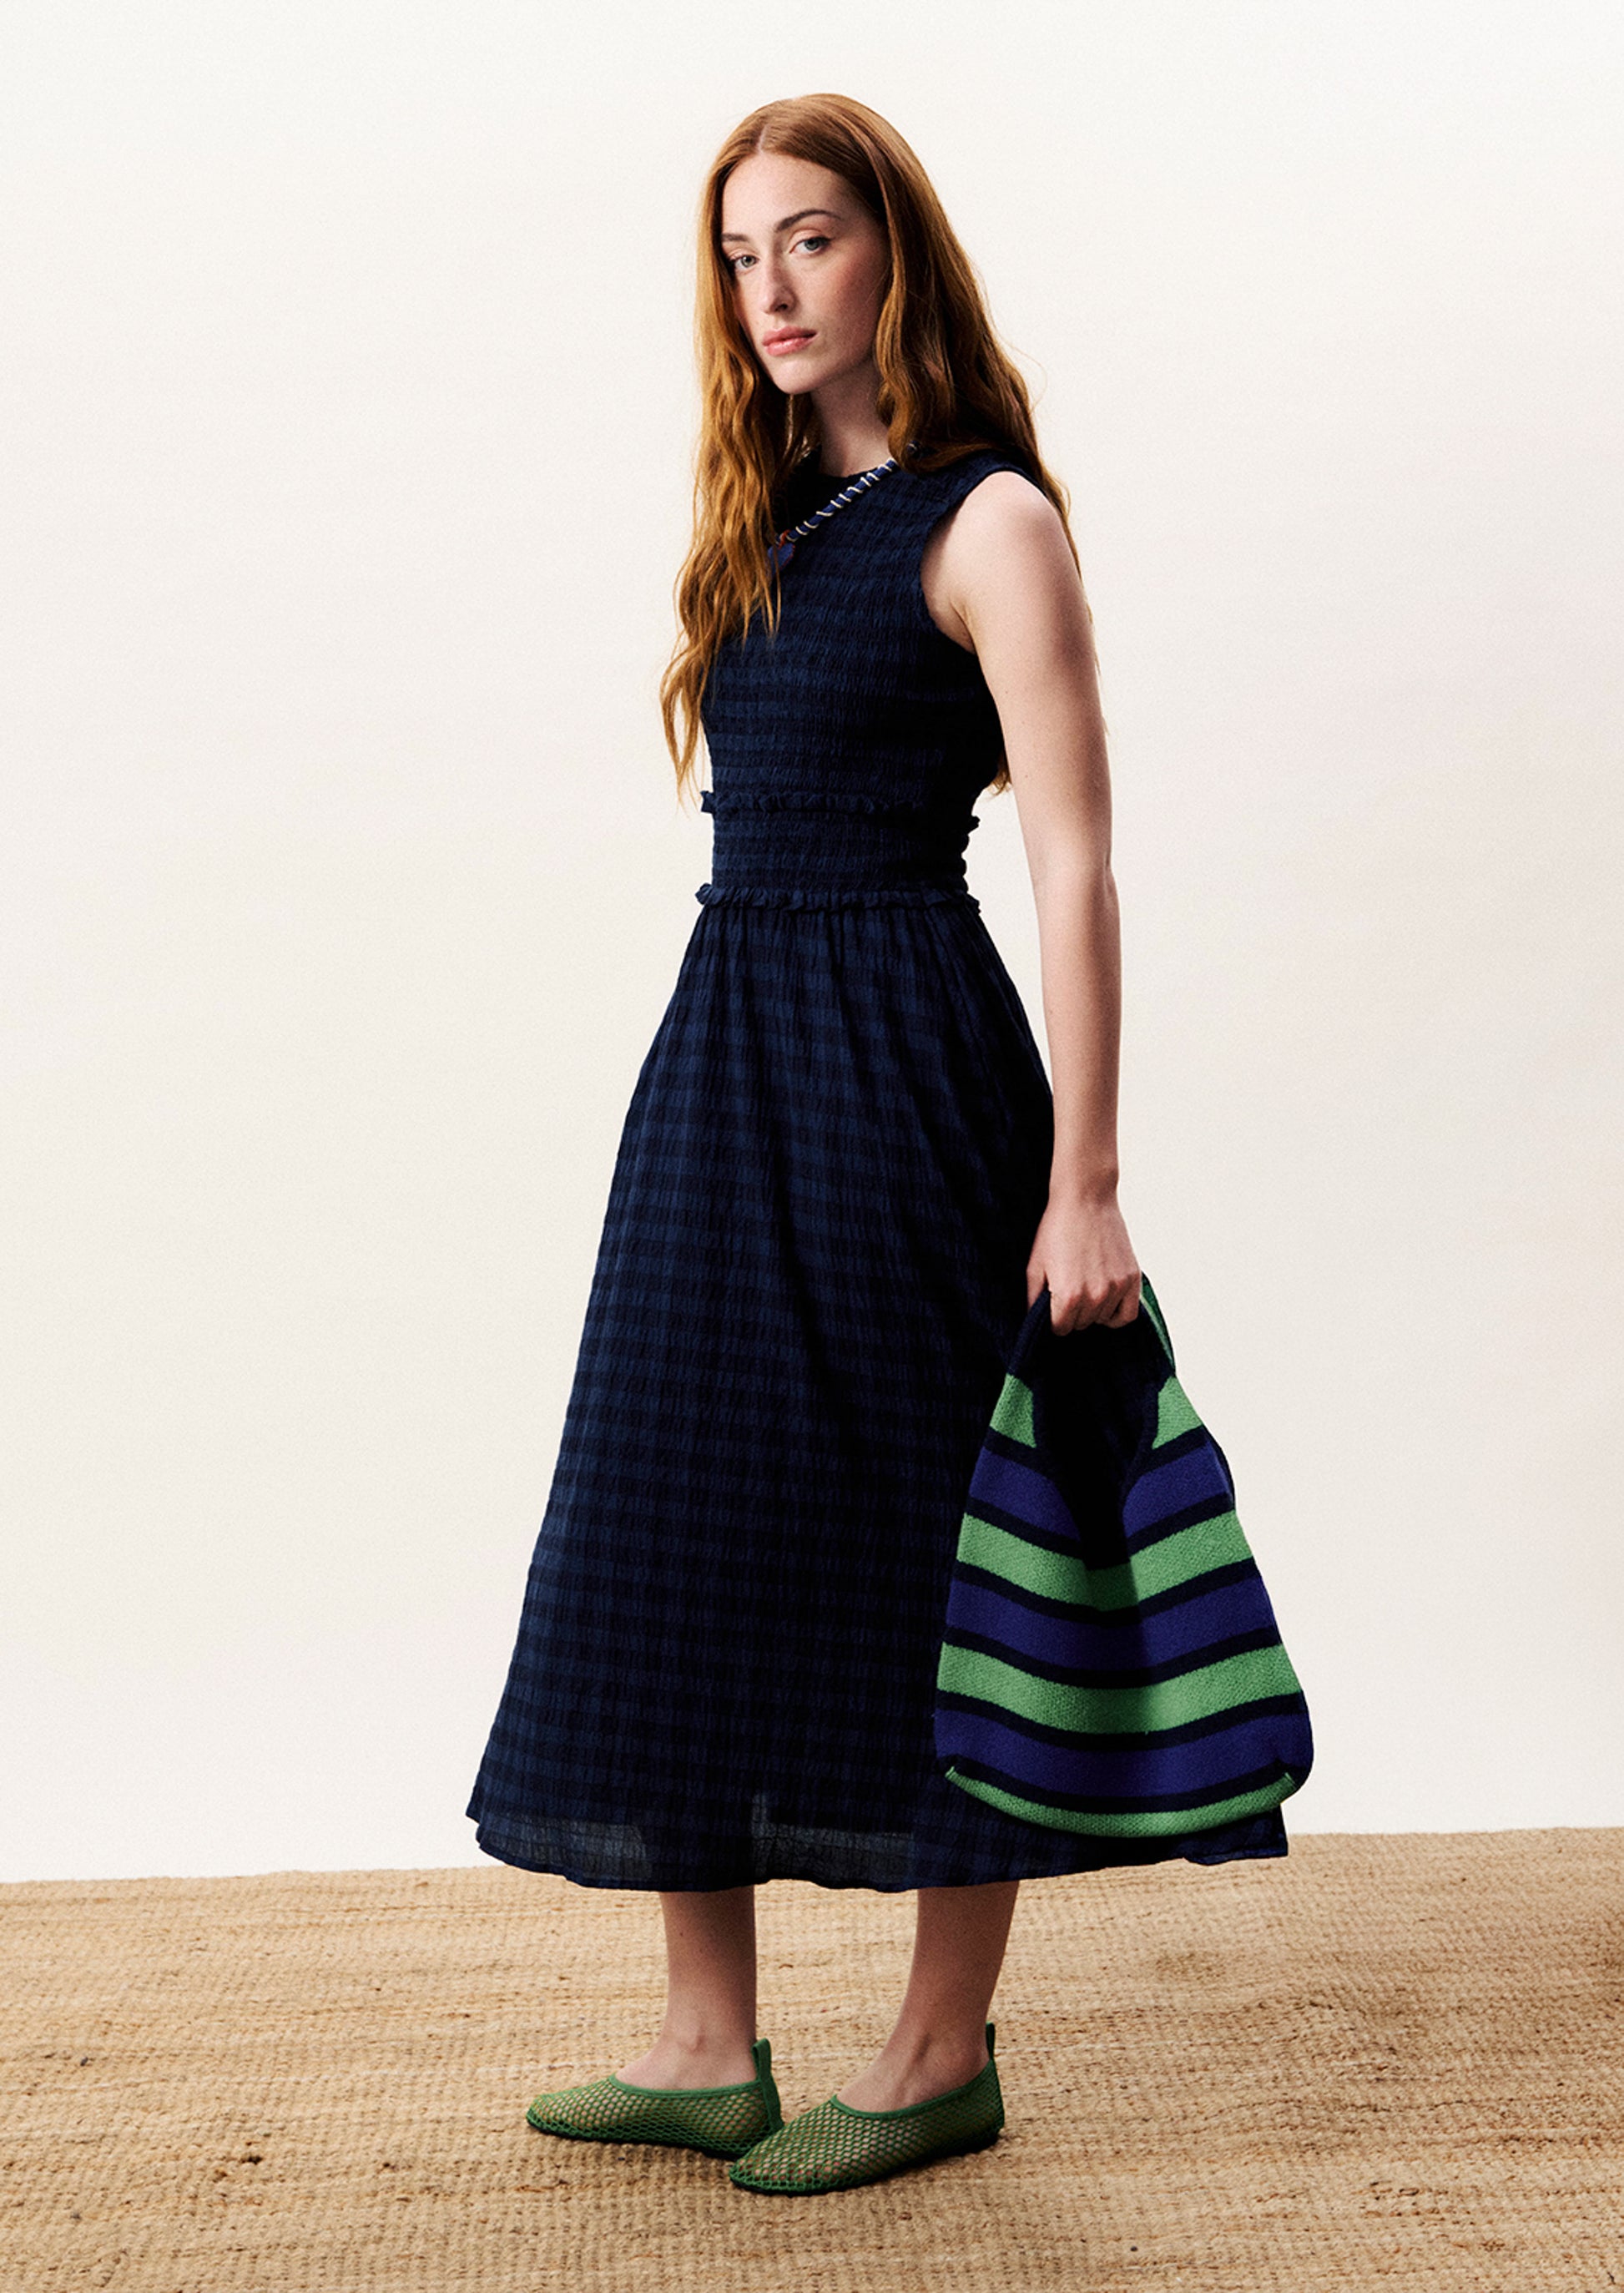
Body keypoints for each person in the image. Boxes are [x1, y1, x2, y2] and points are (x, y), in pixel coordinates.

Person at [467, 90, 1289, 2197]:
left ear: (894, 251)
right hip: (726, 1045)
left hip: (908, 1063)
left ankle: (937, 2056)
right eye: (740, 255)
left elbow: (1080, 865)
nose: (770, 290)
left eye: (809, 240)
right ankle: (703, 2042)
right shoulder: (764, 522)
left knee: (943, 1536)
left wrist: (1084, 1177)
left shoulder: (986, 519)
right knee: (669, 1495)